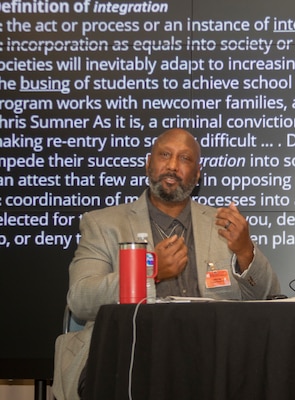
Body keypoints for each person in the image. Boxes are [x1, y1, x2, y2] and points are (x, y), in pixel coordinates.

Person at [52, 128, 281, 400]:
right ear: (149, 163)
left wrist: (245, 251)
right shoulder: (104, 224)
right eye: (164, 155)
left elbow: (267, 297)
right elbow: (80, 298)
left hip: (210, 356)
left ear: (197, 175)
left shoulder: (222, 224)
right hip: (132, 354)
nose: (172, 166)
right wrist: (150, 271)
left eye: (184, 159)